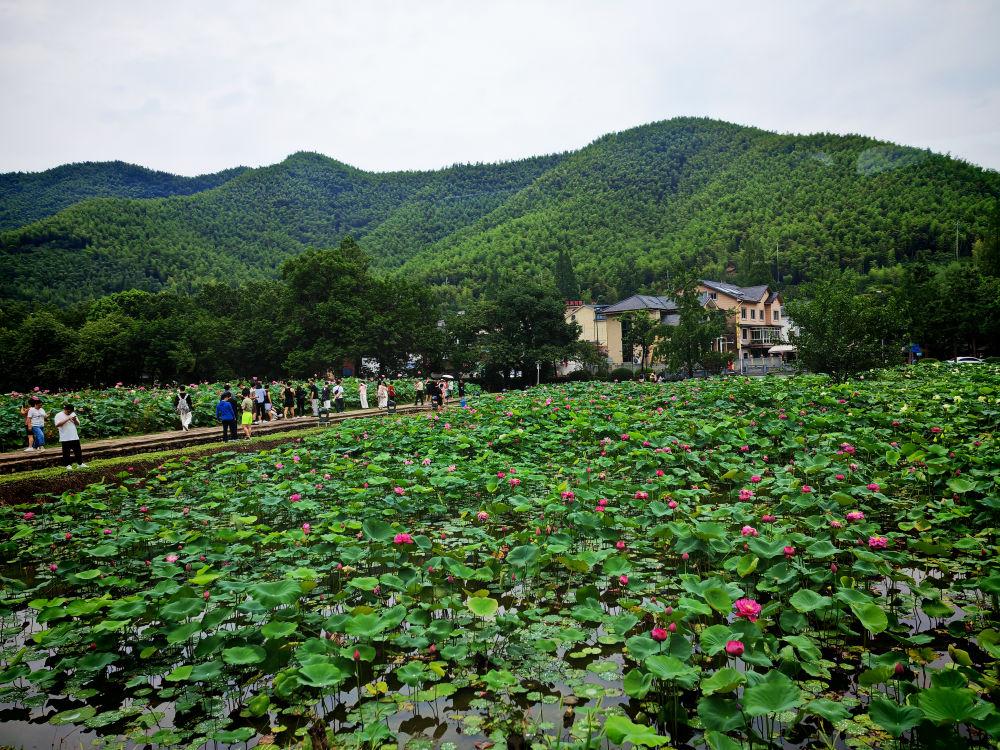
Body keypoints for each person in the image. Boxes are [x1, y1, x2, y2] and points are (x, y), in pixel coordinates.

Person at [54, 404, 85, 469]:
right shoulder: (58, 415)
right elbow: (57, 425)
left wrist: (74, 420)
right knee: (66, 453)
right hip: (65, 437)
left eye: (71, 412)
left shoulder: (73, 414)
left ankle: (80, 464)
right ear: (65, 409)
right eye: (68, 412)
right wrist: (67, 418)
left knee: (78, 451)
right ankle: (68, 465)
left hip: (74, 436)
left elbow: (78, 424)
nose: (70, 413)